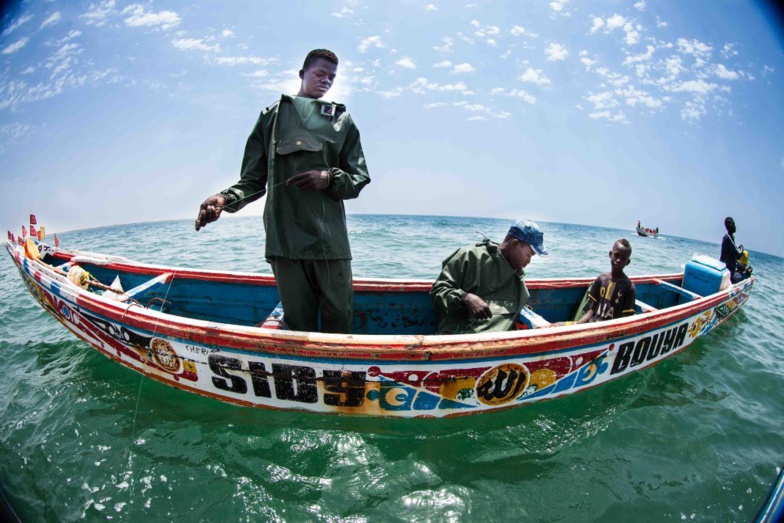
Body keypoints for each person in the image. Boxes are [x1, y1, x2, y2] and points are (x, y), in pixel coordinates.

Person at [194, 49, 371, 333]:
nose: (326, 80)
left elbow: (359, 179)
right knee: (299, 323)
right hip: (284, 240)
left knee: (339, 318)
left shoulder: (342, 121)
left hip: (330, 241)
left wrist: (328, 177)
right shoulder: (270, 117)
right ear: (302, 74)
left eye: (332, 77)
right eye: (320, 73)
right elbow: (253, 181)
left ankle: (340, 373)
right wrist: (224, 199)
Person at [430, 219, 548, 335]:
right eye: (529, 255)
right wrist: (465, 298)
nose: (529, 261)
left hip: (500, 341)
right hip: (463, 338)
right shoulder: (470, 257)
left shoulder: (517, 274)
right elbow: (438, 292)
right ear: (514, 244)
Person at [560, 239, 636, 325]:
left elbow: (626, 319)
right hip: (591, 324)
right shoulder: (601, 279)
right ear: (610, 254)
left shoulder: (629, 287)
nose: (618, 260)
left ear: (628, 262)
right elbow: (591, 310)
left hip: (608, 329)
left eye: (623, 258)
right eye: (616, 255)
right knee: (557, 325)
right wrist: (577, 325)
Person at [720, 217, 752, 284]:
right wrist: (742, 248)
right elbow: (738, 256)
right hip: (727, 270)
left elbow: (735, 261)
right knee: (742, 277)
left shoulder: (730, 238)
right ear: (728, 225)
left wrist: (745, 269)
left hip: (729, 269)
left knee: (746, 272)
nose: (735, 226)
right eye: (733, 224)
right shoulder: (728, 238)